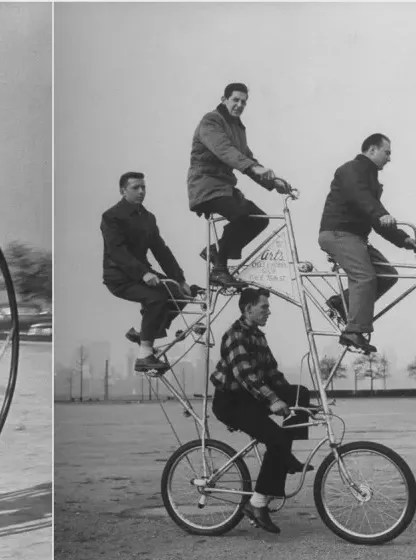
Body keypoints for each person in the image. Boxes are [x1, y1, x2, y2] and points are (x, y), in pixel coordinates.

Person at [210, 287, 312, 534]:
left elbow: (272, 373)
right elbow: (246, 376)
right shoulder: (235, 335)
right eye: (264, 307)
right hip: (231, 402)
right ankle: (256, 505)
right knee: (276, 439)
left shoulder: (258, 336)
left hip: (251, 397)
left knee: (301, 392)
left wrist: (293, 402)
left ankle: (285, 454)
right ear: (248, 309)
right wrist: (274, 401)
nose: (269, 311)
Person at [318, 133, 416, 353]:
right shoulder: (351, 170)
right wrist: (380, 213)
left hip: (356, 237)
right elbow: (362, 199)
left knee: (387, 275)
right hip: (339, 233)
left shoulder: (371, 180)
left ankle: (341, 303)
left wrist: (407, 240)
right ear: (372, 150)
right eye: (387, 153)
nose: (389, 158)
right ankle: (353, 331)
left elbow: (376, 220)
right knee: (364, 277)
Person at [188, 82, 291, 288]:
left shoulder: (237, 128)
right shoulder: (211, 121)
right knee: (241, 216)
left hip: (225, 188)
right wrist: (252, 167)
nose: (239, 105)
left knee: (259, 220)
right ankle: (219, 269)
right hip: (206, 186)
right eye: (235, 100)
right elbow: (224, 150)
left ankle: (217, 251)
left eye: (244, 102)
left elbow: (246, 156)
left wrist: (274, 182)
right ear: (224, 99)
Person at [102, 172, 193, 372]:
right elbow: (118, 252)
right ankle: (144, 356)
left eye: (143, 187)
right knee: (156, 298)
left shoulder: (148, 218)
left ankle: (144, 334)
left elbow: (161, 250)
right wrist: (143, 274)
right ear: (123, 190)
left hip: (143, 273)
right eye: (135, 187)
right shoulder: (111, 217)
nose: (141, 191)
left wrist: (180, 279)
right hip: (119, 277)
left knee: (181, 294)